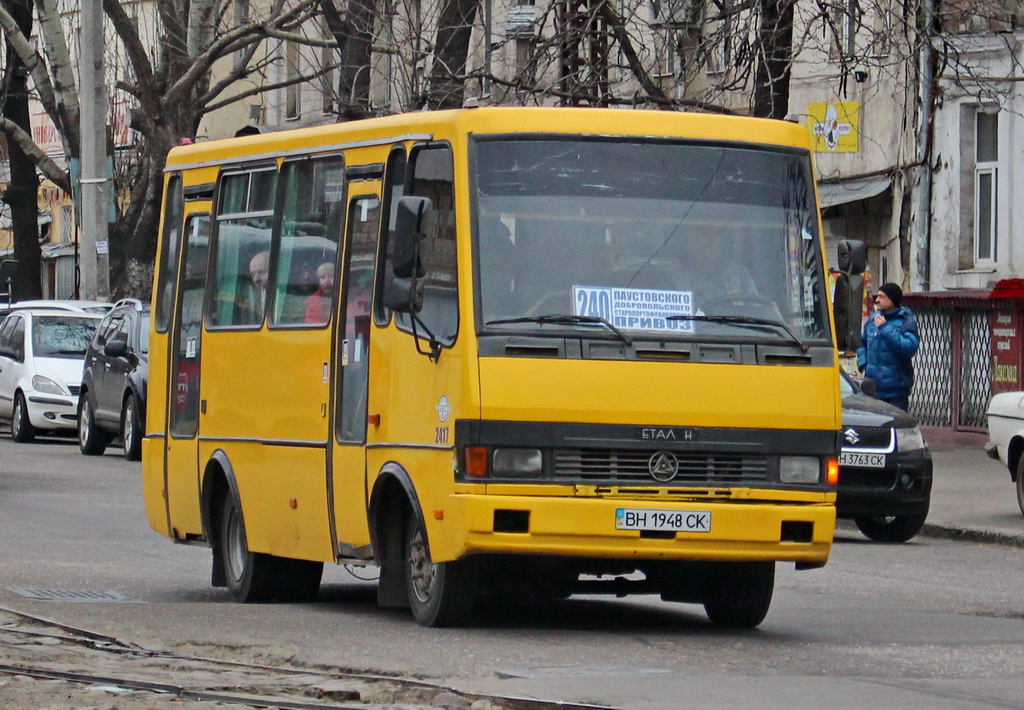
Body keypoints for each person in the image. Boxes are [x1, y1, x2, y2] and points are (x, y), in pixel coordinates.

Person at [857, 282, 919, 411]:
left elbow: (908, 348)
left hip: (896, 392)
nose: (877, 300)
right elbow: (862, 343)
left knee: (896, 426)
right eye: (877, 296)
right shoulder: (874, 318)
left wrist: (885, 328)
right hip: (873, 389)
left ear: (892, 299)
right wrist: (863, 365)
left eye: (881, 296)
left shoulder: (905, 319)